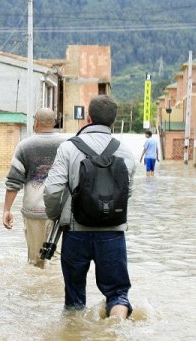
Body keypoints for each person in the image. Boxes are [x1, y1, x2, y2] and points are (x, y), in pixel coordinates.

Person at [43, 95, 136, 320]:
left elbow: (52, 190)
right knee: (117, 293)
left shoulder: (68, 148)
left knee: (74, 299)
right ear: (113, 121)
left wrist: (56, 215)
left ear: (88, 117)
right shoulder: (125, 151)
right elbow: (127, 192)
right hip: (113, 233)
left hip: (76, 232)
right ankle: (117, 325)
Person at [3, 108, 66, 268]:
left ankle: (36, 293)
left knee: (35, 262)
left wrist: (7, 210)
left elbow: (13, 181)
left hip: (34, 213)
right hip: (61, 213)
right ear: (54, 123)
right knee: (57, 262)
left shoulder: (24, 146)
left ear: (35, 123)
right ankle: (56, 292)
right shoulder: (68, 145)